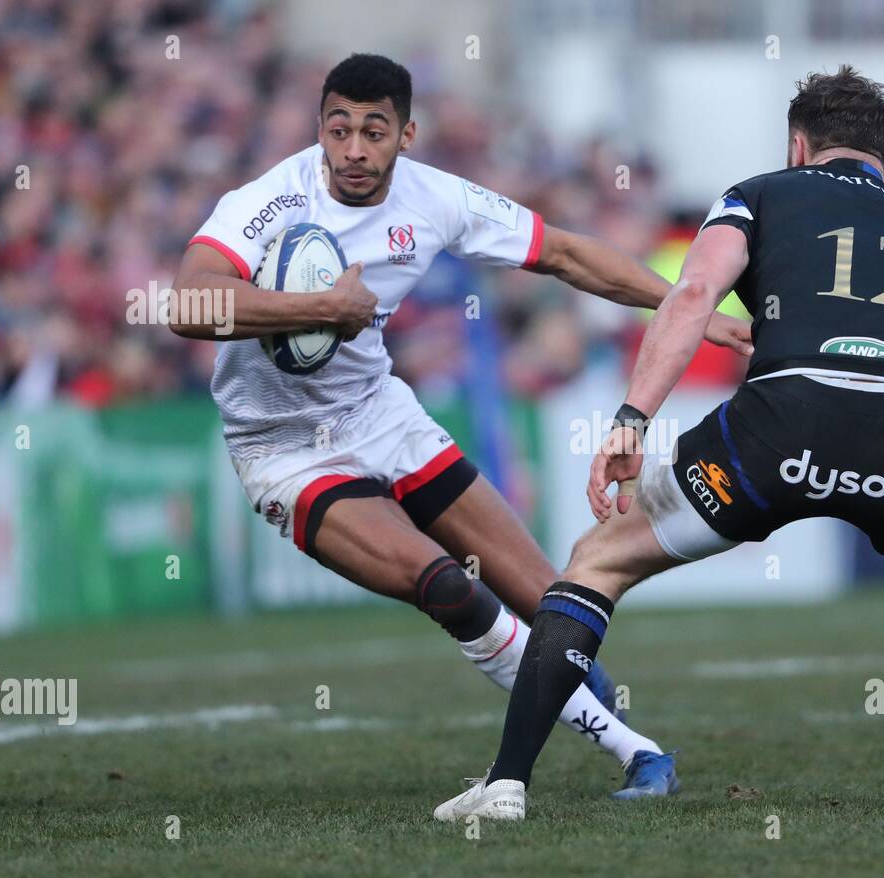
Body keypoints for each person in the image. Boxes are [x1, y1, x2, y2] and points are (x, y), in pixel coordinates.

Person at [435, 66, 884, 821]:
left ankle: (506, 784)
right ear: (883, 155)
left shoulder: (762, 193)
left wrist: (632, 420)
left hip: (772, 436)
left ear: (798, 144)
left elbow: (692, 296)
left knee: (598, 561)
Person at [169, 53, 753, 798]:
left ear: (406, 134)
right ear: (318, 129)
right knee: (443, 585)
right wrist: (321, 308)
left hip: (379, 413)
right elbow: (186, 304)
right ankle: (639, 754)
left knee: (556, 606)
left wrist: (686, 311)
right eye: (338, 129)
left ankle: (600, 729)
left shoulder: (435, 199)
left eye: (373, 132)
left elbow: (567, 255)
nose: (353, 149)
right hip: (281, 447)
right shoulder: (270, 200)